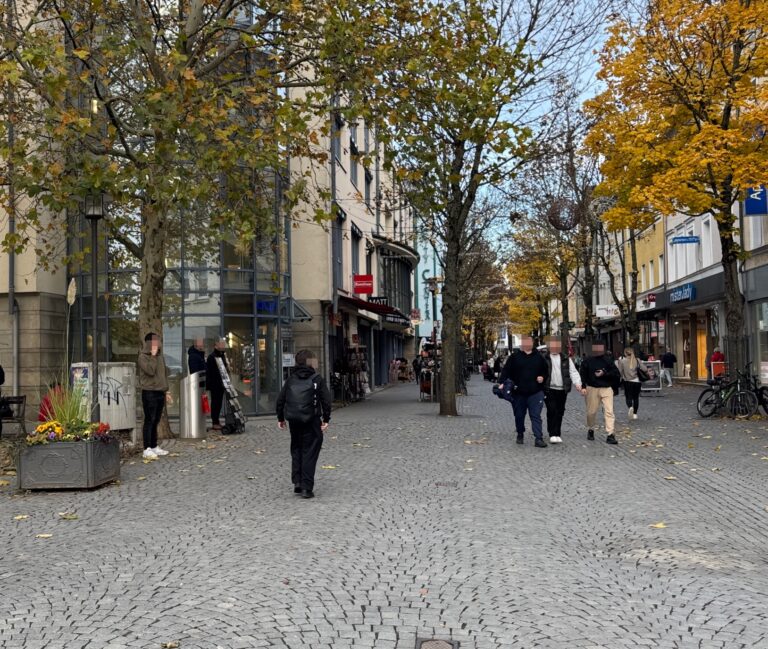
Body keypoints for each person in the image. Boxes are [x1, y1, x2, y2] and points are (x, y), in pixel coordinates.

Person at [276, 349, 332, 499]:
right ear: (310, 362)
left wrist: (280, 418)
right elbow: (326, 400)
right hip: (311, 420)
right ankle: (307, 487)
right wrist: (326, 419)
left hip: (294, 420)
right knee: (310, 451)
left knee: (296, 448)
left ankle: (297, 483)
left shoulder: (291, 378)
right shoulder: (317, 379)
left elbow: (280, 400)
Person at [499, 335, 549, 448]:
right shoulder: (514, 357)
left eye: (528, 342)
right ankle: (520, 433)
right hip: (518, 392)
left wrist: (542, 377)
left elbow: (546, 371)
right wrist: (502, 382)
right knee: (519, 415)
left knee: (536, 415)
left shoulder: (539, 357)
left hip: (535, 392)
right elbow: (506, 370)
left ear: (532, 343)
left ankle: (538, 438)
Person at [543, 338, 585, 444]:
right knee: (552, 410)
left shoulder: (566, 358)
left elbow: (573, 372)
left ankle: (557, 433)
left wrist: (578, 383)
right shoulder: (544, 358)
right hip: (549, 388)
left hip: (562, 389)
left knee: (560, 411)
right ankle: (552, 433)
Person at [137, 332, 171, 460]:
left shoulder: (160, 356)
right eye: (155, 341)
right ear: (149, 343)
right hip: (149, 391)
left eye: (159, 340)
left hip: (160, 392)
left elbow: (163, 375)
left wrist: (166, 391)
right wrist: (152, 355)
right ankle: (146, 449)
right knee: (149, 420)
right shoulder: (143, 357)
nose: (158, 343)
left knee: (156, 420)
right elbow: (150, 371)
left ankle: (154, 445)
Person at [580, 341, 621, 445]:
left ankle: (610, 434)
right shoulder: (587, 361)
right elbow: (583, 374)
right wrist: (583, 386)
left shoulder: (608, 360)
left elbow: (616, 373)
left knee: (609, 411)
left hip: (606, 388)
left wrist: (604, 373)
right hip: (592, 388)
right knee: (591, 412)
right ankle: (591, 428)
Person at [206, 338, 229, 431]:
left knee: (218, 403)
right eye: (221, 344)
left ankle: (217, 421)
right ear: (216, 346)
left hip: (221, 383)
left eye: (224, 344)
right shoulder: (212, 357)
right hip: (215, 384)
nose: (223, 346)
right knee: (215, 403)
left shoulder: (222, 355)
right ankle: (215, 422)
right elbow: (212, 372)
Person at [617, 347, 643, 421]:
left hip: (627, 381)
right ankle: (635, 414)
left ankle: (630, 407)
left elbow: (620, 372)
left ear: (625, 353)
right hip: (637, 381)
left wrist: (620, 379)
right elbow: (644, 369)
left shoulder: (622, 361)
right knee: (636, 398)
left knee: (628, 397)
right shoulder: (637, 360)